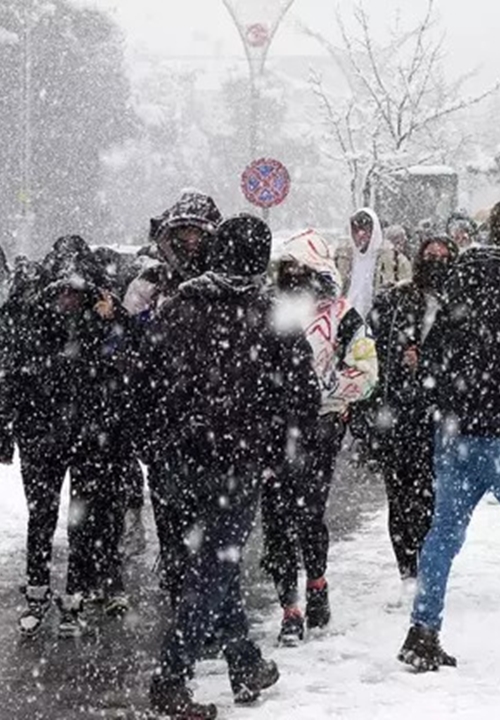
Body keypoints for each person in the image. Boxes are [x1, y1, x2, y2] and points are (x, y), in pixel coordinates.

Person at [139, 214, 320, 719]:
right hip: (236, 464)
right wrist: (281, 453)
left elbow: (141, 383)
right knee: (214, 571)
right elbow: (304, 395)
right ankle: (171, 677)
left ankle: (244, 663)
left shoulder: (178, 307)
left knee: (216, 565)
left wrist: (156, 445)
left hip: (180, 462)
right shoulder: (269, 313)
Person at [398, 197, 500, 672]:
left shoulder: (459, 279)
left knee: (443, 534)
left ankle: (423, 629)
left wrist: (449, 404)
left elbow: (434, 353)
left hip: (459, 432)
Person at [0, 236, 134, 637]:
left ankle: (74, 594)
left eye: (76, 291)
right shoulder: (30, 317)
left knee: (81, 520)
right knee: (42, 516)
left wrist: (115, 319)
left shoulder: (102, 320)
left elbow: (131, 363)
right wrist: (4, 424)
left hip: (89, 434)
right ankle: (37, 590)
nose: (68, 298)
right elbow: (9, 373)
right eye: (62, 290)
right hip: (41, 432)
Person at [264, 230, 379, 644]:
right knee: (276, 518)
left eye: (302, 268)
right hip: (273, 431)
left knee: (309, 513)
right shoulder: (270, 312)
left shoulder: (344, 316)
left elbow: (366, 372)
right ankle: (288, 608)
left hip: (321, 427)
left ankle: (316, 582)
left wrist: (320, 394)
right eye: (288, 268)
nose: (294, 275)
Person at [121, 190, 224, 602]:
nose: (189, 242)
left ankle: (203, 580)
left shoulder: (227, 284)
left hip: (215, 414)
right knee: (168, 501)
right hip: (162, 413)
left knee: (210, 507)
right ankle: (178, 570)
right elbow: (126, 343)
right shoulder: (150, 283)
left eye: (198, 234)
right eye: (182, 233)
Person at [365, 235, 457, 595]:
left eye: (443, 256)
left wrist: (430, 363)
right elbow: (377, 347)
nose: (436, 261)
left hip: (439, 416)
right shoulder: (398, 298)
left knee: (432, 499)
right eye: (430, 255)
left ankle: (429, 566)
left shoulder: (459, 304)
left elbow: (465, 358)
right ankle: (408, 569)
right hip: (399, 414)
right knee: (400, 496)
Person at [346, 208, 386, 317]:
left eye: (365, 229)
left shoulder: (389, 260)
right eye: (356, 230)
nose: (360, 235)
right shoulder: (345, 260)